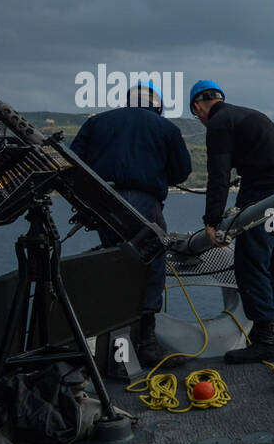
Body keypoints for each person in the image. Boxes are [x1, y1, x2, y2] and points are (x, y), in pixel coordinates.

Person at [70, 81, 191, 368]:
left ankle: (109, 342)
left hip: (102, 202)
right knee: (151, 263)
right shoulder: (167, 129)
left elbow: (74, 162)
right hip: (144, 203)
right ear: (157, 105)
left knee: (113, 261)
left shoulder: (97, 122)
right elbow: (182, 171)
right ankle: (146, 342)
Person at [190, 79, 274, 363]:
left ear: (198, 108)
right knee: (268, 261)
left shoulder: (218, 123)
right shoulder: (250, 114)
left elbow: (218, 174)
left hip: (265, 195)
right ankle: (265, 331)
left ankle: (265, 340)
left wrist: (213, 221)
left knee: (250, 261)